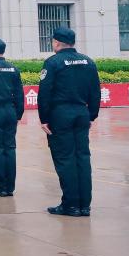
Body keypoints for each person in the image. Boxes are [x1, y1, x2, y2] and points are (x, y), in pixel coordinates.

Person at [37, 27, 100, 217]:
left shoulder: (53, 62)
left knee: (65, 159)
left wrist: (44, 119)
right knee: (82, 158)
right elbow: (95, 91)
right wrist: (91, 115)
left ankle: (71, 205)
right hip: (81, 113)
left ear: (56, 42)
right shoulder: (88, 62)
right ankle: (84, 205)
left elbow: (45, 93)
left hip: (60, 115)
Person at [0, 38, 25, 197]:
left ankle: (0, 185)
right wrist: (18, 114)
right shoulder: (13, 69)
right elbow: (19, 94)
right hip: (10, 111)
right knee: (9, 148)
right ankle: (10, 186)